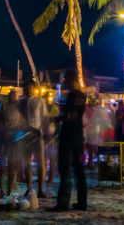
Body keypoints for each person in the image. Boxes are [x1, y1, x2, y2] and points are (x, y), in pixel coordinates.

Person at [48, 70, 87, 212]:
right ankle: (82, 202)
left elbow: (70, 115)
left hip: (68, 136)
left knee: (65, 169)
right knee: (79, 170)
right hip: (78, 136)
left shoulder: (71, 95)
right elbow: (78, 114)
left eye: (65, 78)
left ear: (71, 79)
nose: (63, 81)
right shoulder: (83, 96)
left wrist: (55, 119)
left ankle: (63, 203)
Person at [23, 82, 49, 197]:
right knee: (26, 163)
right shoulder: (21, 103)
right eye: (26, 88)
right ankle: (29, 187)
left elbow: (44, 118)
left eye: (30, 88)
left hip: (38, 133)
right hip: (25, 135)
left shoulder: (39, 101)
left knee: (40, 162)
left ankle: (41, 189)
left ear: (34, 89)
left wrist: (45, 132)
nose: (28, 90)